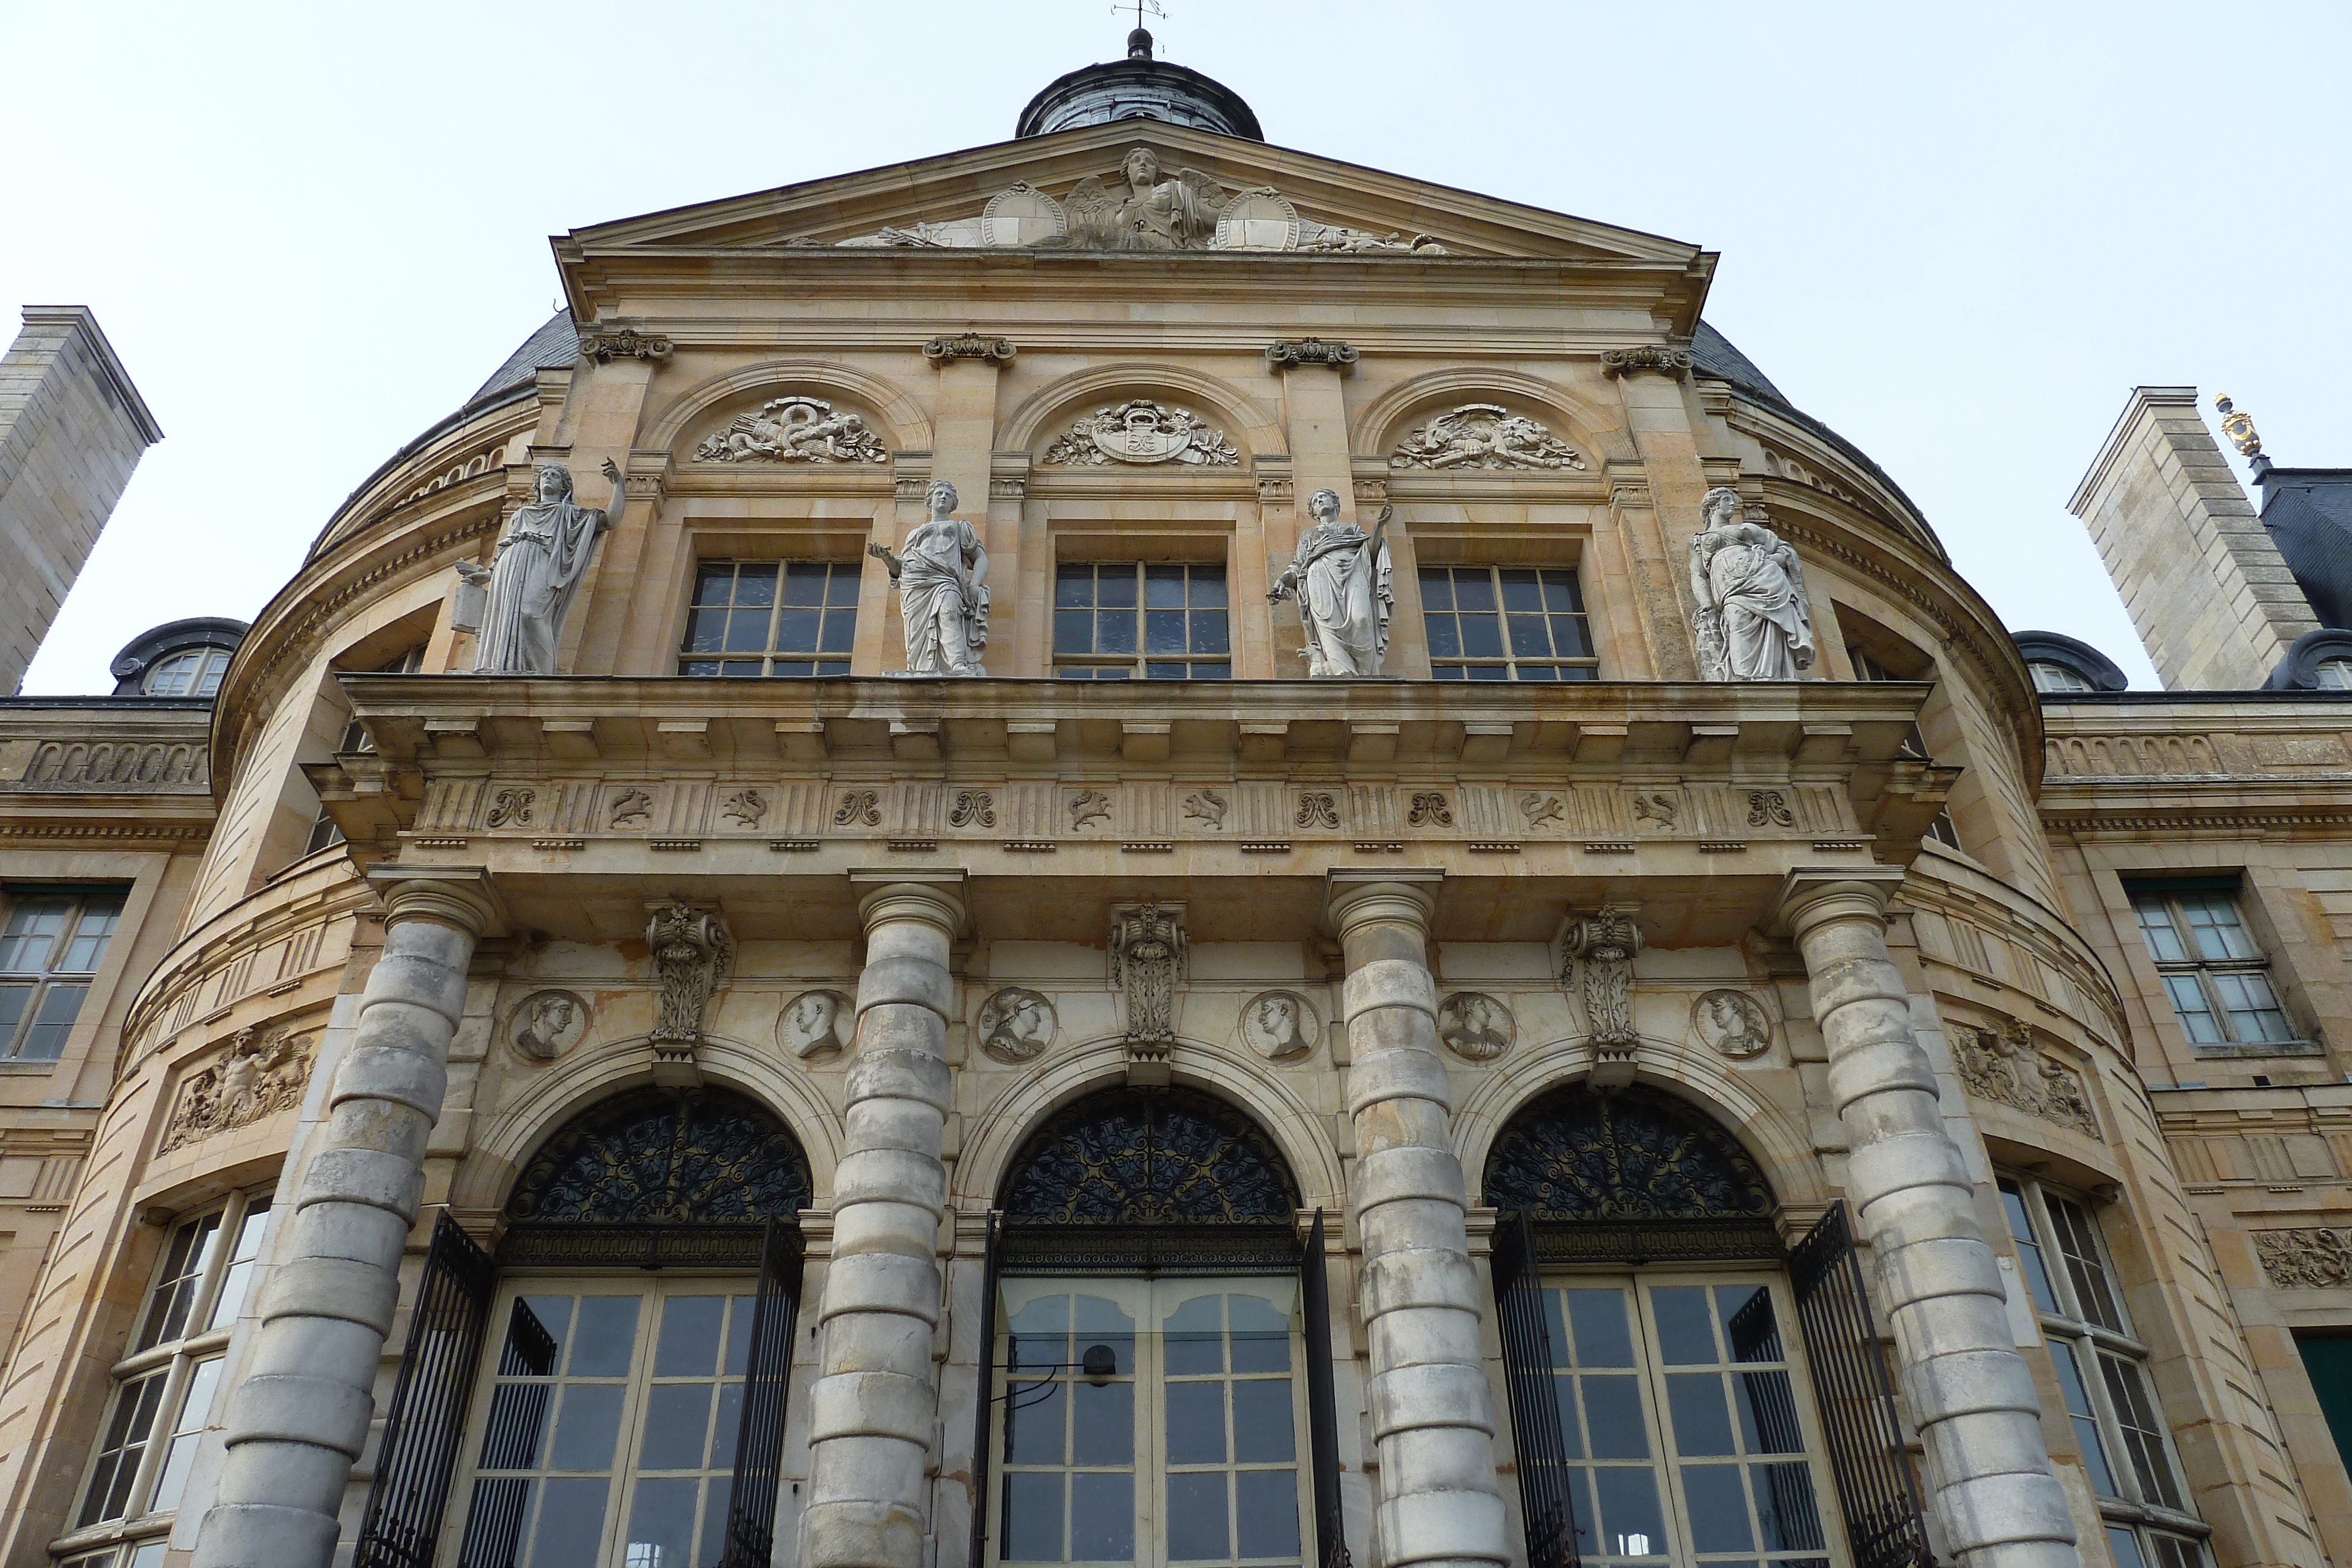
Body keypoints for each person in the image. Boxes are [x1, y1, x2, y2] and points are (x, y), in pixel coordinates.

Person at [471, 460, 623, 673]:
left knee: (530, 614)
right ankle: (507, 668)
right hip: (511, 565)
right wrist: (488, 574)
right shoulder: (521, 515)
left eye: (555, 475)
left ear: (564, 486)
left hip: (543, 562)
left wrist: (619, 485)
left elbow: (610, 521)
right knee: (505, 618)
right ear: (538, 484)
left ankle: (544, 675)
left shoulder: (570, 513)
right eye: (545, 475)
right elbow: (505, 547)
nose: (549, 477)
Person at [1688, 486, 1815, 681]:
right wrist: (1706, 603)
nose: (1732, 504)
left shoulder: (1746, 529)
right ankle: (1745, 677)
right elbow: (1697, 575)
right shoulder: (1698, 541)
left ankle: (1773, 677)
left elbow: (1785, 550)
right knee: (1736, 619)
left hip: (1766, 581)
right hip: (1732, 590)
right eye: (1726, 500)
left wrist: (1771, 561)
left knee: (1771, 626)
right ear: (1713, 506)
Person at [870, 480, 989, 675]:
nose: (943, 497)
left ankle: (958, 664)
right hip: (916, 585)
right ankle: (921, 670)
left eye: (947, 495)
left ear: (953, 503)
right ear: (930, 500)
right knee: (918, 628)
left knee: (950, 612)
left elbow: (981, 558)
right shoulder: (915, 534)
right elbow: (902, 567)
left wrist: (975, 584)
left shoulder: (960, 528)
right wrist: (886, 558)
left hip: (946, 580)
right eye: (938, 494)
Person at [1270, 489, 1392, 677]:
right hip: (1320, 576)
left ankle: (1367, 673)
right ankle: (1341, 671)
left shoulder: (1352, 530)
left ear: (1335, 503)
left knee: (1362, 618)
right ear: (1313, 512)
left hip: (1353, 570)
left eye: (1323, 498)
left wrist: (1379, 526)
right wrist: (1282, 581)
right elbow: (1298, 566)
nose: (1319, 502)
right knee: (1328, 627)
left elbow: (1370, 552)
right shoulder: (1309, 536)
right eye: (1315, 502)